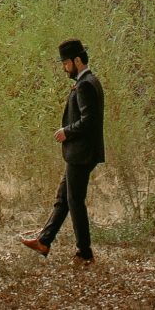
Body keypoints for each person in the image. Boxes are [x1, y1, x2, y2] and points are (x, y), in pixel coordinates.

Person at [18, 38, 103, 265]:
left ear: (77, 61)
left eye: (66, 63)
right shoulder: (90, 81)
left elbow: (89, 121)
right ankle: (44, 241)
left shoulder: (85, 85)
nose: (64, 68)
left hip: (81, 153)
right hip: (80, 153)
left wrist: (67, 131)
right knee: (63, 198)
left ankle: (84, 253)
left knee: (74, 202)